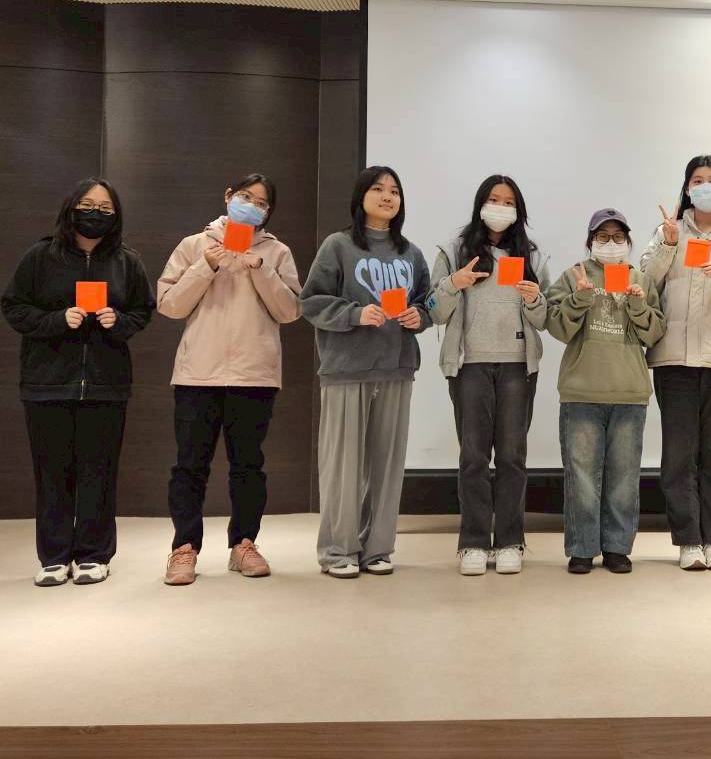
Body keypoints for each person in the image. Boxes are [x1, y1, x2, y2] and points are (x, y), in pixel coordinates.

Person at [2, 178, 154, 587]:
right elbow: (13, 306)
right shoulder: (41, 256)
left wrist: (117, 321)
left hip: (106, 385)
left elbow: (143, 310)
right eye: (88, 205)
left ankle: (93, 555)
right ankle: (54, 557)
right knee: (52, 473)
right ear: (71, 208)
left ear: (116, 216)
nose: (95, 214)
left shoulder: (127, 261)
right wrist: (56, 320)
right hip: (47, 384)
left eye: (105, 209)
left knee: (98, 473)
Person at [156, 174, 301, 586]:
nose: (251, 206)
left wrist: (261, 269)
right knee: (189, 466)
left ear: (268, 213)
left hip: (254, 375)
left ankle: (244, 543)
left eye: (261, 203)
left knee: (248, 465)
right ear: (227, 197)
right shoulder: (194, 245)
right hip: (197, 374)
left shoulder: (277, 252)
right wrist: (206, 265)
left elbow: (291, 310)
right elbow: (168, 304)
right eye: (244, 197)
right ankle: (184, 547)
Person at [301, 166, 431, 579]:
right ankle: (338, 550)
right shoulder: (338, 245)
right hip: (347, 368)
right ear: (361, 197)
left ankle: (377, 548)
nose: (388, 196)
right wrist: (355, 314)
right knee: (343, 464)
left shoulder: (411, 253)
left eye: (395, 191)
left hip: (397, 367)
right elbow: (312, 302)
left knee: (387, 466)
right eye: (378, 189)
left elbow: (427, 301)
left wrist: (421, 316)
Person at [427, 175, 550, 576]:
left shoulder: (532, 254)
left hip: (517, 364)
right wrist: (454, 283)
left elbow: (545, 317)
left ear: (519, 210)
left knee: (512, 457)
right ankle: (474, 543)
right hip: (470, 365)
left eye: (509, 202)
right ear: (480, 204)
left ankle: (511, 540)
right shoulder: (455, 250)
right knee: (473, 458)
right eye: (494, 199)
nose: (501, 207)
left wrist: (534, 299)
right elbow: (433, 310)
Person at [640, 155, 711, 571]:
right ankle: (688, 541)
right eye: (697, 180)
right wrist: (669, 243)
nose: (705, 186)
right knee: (678, 456)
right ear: (687, 188)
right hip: (674, 359)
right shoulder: (668, 231)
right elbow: (645, 281)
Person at [545, 208, 666, 574]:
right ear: (591, 241)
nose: (611, 243)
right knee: (581, 476)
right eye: (603, 236)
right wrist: (580, 298)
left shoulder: (641, 279)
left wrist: (637, 306)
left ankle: (617, 547)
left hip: (628, 393)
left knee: (624, 478)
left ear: (628, 242)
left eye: (618, 237)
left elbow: (655, 333)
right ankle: (582, 548)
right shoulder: (573, 276)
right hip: (581, 392)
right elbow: (556, 327)